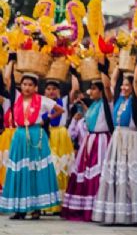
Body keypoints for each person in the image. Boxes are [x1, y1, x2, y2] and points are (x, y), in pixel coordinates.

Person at [0, 65, 65, 219]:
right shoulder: (16, 98)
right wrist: (11, 62)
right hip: (20, 135)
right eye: (24, 84)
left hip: (36, 134)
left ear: (36, 87)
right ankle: (20, 209)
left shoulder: (42, 100)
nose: (27, 87)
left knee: (35, 170)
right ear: (20, 86)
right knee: (20, 171)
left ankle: (36, 208)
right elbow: (8, 80)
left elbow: (59, 110)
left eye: (30, 85)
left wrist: (46, 119)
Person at [92, 60, 137, 225]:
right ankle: (117, 214)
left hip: (133, 140)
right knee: (118, 177)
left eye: (128, 85)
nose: (124, 87)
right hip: (118, 141)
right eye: (123, 85)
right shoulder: (117, 100)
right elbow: (107, 87)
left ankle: (135, 216)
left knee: (132, 177)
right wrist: (106, 69)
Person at [61, 60, 114, 221]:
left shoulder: (107, 103)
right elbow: (76, 92)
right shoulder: (92, 106)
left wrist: (104, 71)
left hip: (101, 142)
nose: (91, 91)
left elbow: (107, 88)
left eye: (93, 88)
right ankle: (84, 208)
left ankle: (96, 208)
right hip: (89, 142)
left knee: (97, 174)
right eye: (91, 88)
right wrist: (75, 74)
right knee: (84, 175)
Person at [41, 77, 79, 214]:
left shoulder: (63, 101)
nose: (51, 92)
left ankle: (61, 203)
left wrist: (73, 71)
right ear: (44, 91)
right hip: (47, 135)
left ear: (59, 91)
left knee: (61, 168)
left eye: (54, 89)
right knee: (49, 168)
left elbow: (75, 88)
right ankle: (47, 204)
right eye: (49, 89)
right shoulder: (42, 102)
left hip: (61, 137)